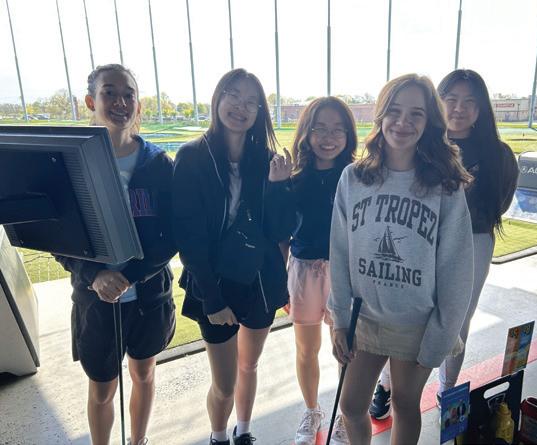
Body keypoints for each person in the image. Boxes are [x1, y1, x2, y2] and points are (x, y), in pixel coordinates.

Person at [327, 73, 474, 444]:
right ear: (380, 115)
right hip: (364, 319)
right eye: (394, 111)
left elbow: (457, 269)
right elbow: (339, 252)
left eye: (416, 114)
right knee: (351, 404)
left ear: (429, 122)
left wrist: (441, 336)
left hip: (417, 323)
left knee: (406, 403)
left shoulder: (445, 186)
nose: (403, 122)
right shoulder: (353, 178)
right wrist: (339, 319)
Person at [369, 69, 519, 419]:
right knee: (405, 313)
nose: (459, 108)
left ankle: (447, 389)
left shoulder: (498, 154)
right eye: (450, 99)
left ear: (481, 109)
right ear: (438, 103)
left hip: (473, 241)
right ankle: (387, 385)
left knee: (456, 318)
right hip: (420, 241)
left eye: (469, 102)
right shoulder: (422, 145)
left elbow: (501, 200)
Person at [55, 63, 177, 445]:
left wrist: (130, 276)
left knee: (144, 373)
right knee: (102, 388)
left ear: (138, 105)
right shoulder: (72, 163)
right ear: (91, 101)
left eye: (128, 94)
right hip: (95, 301)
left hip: (148, 297)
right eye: (110, 92)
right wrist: (94, 276)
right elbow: (58, 237)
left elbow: (173, 234)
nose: (120, 102)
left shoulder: (158, 164)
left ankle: (138, 440)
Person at [172, 68, 294, 445]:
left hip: (258, 282)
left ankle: (244, 431)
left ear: (259, 112)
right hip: (215, 284)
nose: (241, 107)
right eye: (233, 96)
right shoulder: (193, 157)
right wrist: (212, 297)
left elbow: (279, 230)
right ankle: (219, 435)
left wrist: (280, 186)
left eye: (251, 101)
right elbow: (189, 237)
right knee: (224, 384)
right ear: (218, 99)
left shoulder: (267, 160)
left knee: (249, 365)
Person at [281, 97, 357, 445]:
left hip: (346, 272)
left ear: (348, 135)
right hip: (304, 270)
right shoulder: (294, 179)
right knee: (306, 349)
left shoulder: (358, 177)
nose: (329, 137)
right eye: (320, 129)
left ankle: (346, 415)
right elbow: (281, 234)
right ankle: (312, 411)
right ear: (307, 133)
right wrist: (283, 281)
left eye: (337, 129)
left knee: (346, 350)